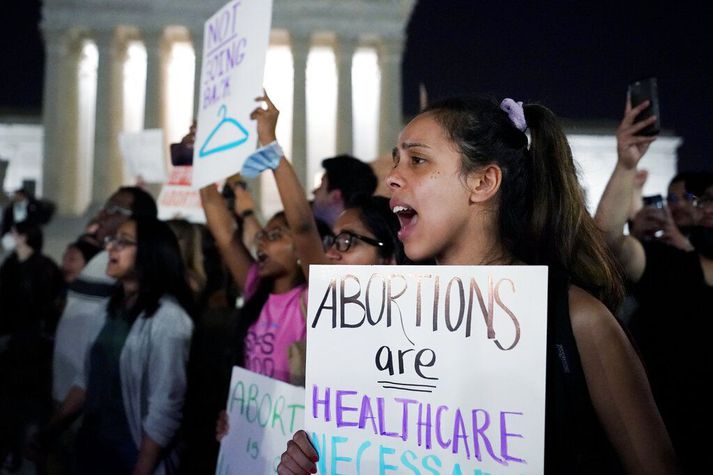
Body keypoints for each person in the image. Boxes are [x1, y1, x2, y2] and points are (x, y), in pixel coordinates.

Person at [277, 96, 678, 474]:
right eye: (396, 161)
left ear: (483, 182)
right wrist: (319, 457)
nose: (393, 178)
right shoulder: (380, 316)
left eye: (417, 160)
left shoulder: (576, 319)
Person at [595, 98, 713, 472]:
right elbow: (607, 243)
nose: (705, 210)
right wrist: (626, 163)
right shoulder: (672, 269)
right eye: (705, 201)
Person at [30, 217, 194, 474]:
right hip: (93, 451)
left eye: (124, 242)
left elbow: (165, 407)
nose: (110, 248)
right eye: (112, 240)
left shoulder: (169, 318)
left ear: (151, 253)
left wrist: (142, 468)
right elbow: (87, 379)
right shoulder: (109, 309)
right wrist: (51, 428)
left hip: (130, 457)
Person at [200, 184, 307, 385]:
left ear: (303, 248)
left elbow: (304, 227)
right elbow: (225, 235)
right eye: (262, 235)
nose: (261, 242)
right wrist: (204, 169)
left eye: (275, 235)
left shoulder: (308, 300)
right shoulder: (256, 287)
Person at [0, 221, 63, 472]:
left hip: (31, 346)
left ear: (24, 237)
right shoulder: (11, 264)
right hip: (11, 342)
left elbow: (48, 303)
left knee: (24, 406)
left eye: (14, 233)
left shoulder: (43, 267)